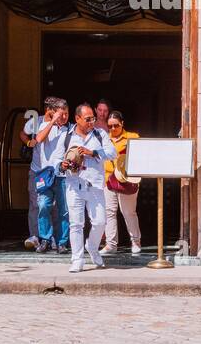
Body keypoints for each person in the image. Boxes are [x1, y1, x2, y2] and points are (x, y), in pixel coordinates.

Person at [59, 103, 118, 273]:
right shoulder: (67, 136)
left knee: (100, 222)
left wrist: (93, 152)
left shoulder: (100, 134)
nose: (92, 121)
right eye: (88, 119)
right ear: (77, 119)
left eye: (93, 118)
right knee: (76, 224)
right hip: (73, 185)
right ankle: (77, 259)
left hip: (95, 185)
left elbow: (112, 153)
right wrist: (62, 165)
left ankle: (91, 247)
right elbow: (56, 159)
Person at [24, 98, 71, 252]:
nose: (64, 117)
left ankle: (61, 242)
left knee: (62, 209)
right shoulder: (43, 125)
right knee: (43, 205)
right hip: (44, 174)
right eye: (61, 114)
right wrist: (52, 123)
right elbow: (38, 139)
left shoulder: (70, 129)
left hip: (62, 175)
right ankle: (44, 238)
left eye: (66, 113)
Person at [101, 110, 142, 255]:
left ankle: (135, 241)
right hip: (108, 180)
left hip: (126, 180)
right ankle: (111, 244)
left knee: (128, 212)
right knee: (109, 213)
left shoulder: (132, 137)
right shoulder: (104, 139)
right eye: (110, 126)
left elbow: (139, 157)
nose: (113, 129)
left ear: (122, 123)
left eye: (116, 125)